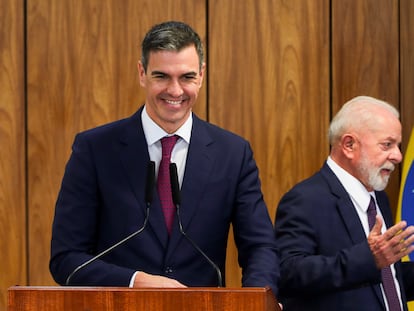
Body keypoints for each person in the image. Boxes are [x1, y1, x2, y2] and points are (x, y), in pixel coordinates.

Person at [49, 21, 279, 295]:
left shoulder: (233, 153)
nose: (175, 90)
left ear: (202, 75)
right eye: (161, 76)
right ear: (142, 73)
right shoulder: (95, 149)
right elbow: (66, 259)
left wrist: (256, 299)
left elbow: (260, 247)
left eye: (186, 77)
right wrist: (136, 281)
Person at [274, 96, 414, 310]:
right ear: (349, 145)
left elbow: (385, 280)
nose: (398, 156)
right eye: (387, 145)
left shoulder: (378, 198)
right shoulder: (305, 199)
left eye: (398, 145)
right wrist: (368, 258)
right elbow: (290, 274)